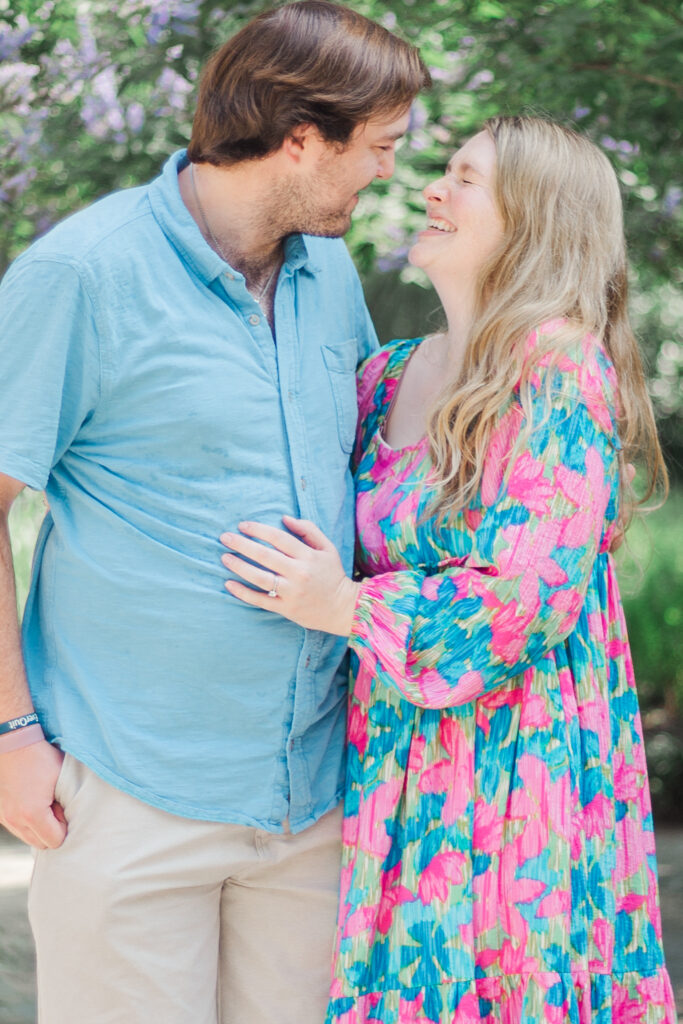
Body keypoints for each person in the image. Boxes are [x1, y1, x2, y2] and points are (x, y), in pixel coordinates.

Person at [0, 3, 430, 1021]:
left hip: (313, 796)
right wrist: (11, 733)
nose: (385, 174)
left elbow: (373, 475)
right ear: (297, 139)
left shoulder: (327, 273)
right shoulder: (81, 276)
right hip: (128, 788)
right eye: (377, 148)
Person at [220, 116, 677, 1023]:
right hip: (401, 770)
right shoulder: (387, 376)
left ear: (532, 219)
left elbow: (521, 601)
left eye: (465, 178)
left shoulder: (555, 368)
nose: (432, 188)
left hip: (519, 773)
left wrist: (346, 606)